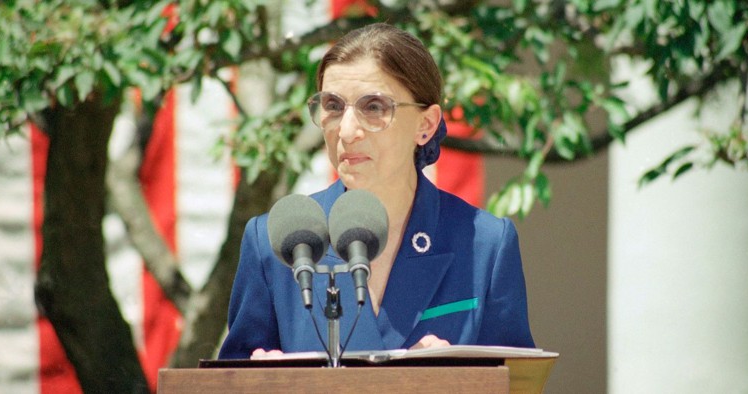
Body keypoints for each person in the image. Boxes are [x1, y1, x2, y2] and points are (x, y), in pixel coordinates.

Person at [218, 23, 534, 359]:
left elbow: (515, 381)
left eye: (374, 108)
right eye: (333, 106)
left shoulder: (484, 243)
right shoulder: (278, 242)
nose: (347, 130)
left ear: (425, 125)